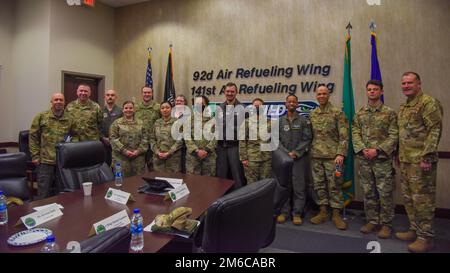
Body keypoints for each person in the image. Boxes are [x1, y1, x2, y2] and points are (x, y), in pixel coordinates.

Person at [396, 72, 443, 253]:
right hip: (406, 160)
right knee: (409, 198)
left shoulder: (428, 103)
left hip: (421, 161)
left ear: (419, 84)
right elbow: (403, 134)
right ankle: (415, 229)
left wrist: (427, 156)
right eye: (404, 83)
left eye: (410, 83)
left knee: (423, 200)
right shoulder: (405, 107)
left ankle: (426, 237)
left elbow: (434, 130)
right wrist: (399, 155)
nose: (406, 86)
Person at [352, 80, 398, 238]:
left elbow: (394, 135)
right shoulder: (360, 113)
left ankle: (386, 224)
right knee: (368, 191)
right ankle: (372, 220)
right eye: (369, 89)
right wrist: (363, 149)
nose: (372, 92)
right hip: (365, 160)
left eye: (375, 89)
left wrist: (377, 150)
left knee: (385, 193)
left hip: (382, 160)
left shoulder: (389, 113)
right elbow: (355, 132)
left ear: (381, 92)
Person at [309, 85, 349, 230]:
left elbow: (344, 136)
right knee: (319, 185)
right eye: (319, 94)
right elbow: (310, 135)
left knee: (335, 185)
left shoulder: (337, 113)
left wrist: (341, 154)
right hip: (316, 156)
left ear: (329, 95)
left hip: (333, 157)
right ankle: (323, 211)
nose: (321, 96)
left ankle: (336, 214)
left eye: (324, 93)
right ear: (316, 95)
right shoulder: (312, 114)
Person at [29, 93, 76, 199]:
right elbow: (33, 137)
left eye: (61, 100)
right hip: (45, 161)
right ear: (51, 102)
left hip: (63, 162)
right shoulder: (41, 116)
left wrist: (71, 150)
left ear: (64, 102)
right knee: (43, 192)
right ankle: (42, 213)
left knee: (62, 192)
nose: (58, 102)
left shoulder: (70, 118)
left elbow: (75, 135)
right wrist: (35, 156)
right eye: (56, 100)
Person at [275, 95, 312, 226]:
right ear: (285, 104)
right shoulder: (279, 121)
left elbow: (307, 139)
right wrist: (285, 154)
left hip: (299, 159)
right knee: (284, 186)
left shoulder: (303, 121)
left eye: (294, 102)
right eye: (289, 101)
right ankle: (283, 212)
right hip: (284, 161)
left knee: (299, 186)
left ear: (297, 104)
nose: (291, 103)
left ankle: (297, 213)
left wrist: (296, 153)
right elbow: (276, 140)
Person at [216, 82, 246, 189]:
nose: (229, 93)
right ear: (224, 92)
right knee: (221, 176)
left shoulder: (242, 108)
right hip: (221, 147)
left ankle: (239, 201)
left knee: (237, 175)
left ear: (236, 92)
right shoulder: (219, 107)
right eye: (227, 91)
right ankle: (221, 201)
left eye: (232, 91)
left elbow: (246, 129)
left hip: (235, 147)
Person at [109, 101, 148, 177]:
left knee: (138, 182)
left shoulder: (141, 123)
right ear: (123, 110)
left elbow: (145, 138)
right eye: (126, 108)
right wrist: (124, 151)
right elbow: (113, 138)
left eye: (130, 108)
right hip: (121, 159)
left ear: (134, 109)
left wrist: (138, 151)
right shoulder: (116, 123)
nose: (128, 110)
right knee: (120, 181)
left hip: (138, 159)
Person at [239, 98, 272, 184]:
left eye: (259, 106)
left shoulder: (270, 122)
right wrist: (244, 158)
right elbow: (242, 141)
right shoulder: (246, 122)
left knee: (265, 183)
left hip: (266, 159)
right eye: (255, 106)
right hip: (251, 159)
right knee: (252, 184)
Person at [185, 95, 217, 176]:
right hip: (193, 157)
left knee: (209, 182)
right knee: (193, 182)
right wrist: (196, 150)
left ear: (206, 105)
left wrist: (206, 150)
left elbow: (216, 136)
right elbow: (187, 137)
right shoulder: (189, 120)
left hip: (209, 156)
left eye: (202, 104)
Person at [150, 101, 183, 172]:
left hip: (173, 158)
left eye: (167, 108)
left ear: (171, 109)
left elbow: (180, 141)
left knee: (173, 180)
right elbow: (152, 139)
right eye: (162, 108)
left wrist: (169, 152)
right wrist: (157, 152)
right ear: (160, 110)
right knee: (159, 180)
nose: (165, 110)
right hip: (158, 158)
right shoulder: (157, 122)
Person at [135, 86, 161, 170]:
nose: (147, 94)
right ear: (141, 94)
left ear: (152, 94)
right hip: (139, 142)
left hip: (153, 143)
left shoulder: (158, 107)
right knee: (138, 167)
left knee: (153, 167)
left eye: (149, 92)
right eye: (145, 92)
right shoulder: (135, 107)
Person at [101, 90, 123, 167]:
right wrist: (102, 137)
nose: (110, 97)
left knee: (116, 165)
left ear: (116, 97)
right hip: (103, 143)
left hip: (117, 143)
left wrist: (113, 139)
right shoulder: (100, 110)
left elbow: (123, 126)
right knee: (104, 164)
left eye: (112, 95)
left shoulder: (121, 111)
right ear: (105, 97)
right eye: (108, 95)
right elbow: (96, 126)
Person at [173, 94, 189, 173]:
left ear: (185, 103)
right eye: (177, 101)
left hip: (184, 147)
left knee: (183, 170)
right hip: (171, 147)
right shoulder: (170, 114)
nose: (178, 102)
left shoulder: (189, 116)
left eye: (181, 101)